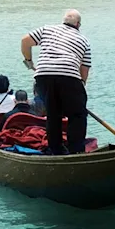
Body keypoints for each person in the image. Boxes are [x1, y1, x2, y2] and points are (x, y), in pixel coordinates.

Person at [20, 9, 91, 155]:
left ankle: (56, 149)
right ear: (78, 24)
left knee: (53, 114)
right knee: (77, 115)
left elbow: (25, 41)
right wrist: (81, 85)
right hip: (69, 77)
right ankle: (76, 151)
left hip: (43, 76)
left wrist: (29, 62)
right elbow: (84, 68)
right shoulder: (83, 40)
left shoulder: (47, 29)